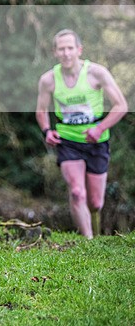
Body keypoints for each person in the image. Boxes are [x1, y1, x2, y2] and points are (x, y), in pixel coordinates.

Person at [36, 29, 127, 238]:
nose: (66, 53)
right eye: (61, 49)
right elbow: (41, 110)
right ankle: (88, 242)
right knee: (77, 193)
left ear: (79, 50)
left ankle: (93, 224)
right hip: (68, 141)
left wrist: (100, 128)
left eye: (70, 48)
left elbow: (121, 105)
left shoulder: (97, 73)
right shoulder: (48, 80)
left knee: (95, 202)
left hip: (96, 141)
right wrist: (47, 131)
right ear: (55, 52)